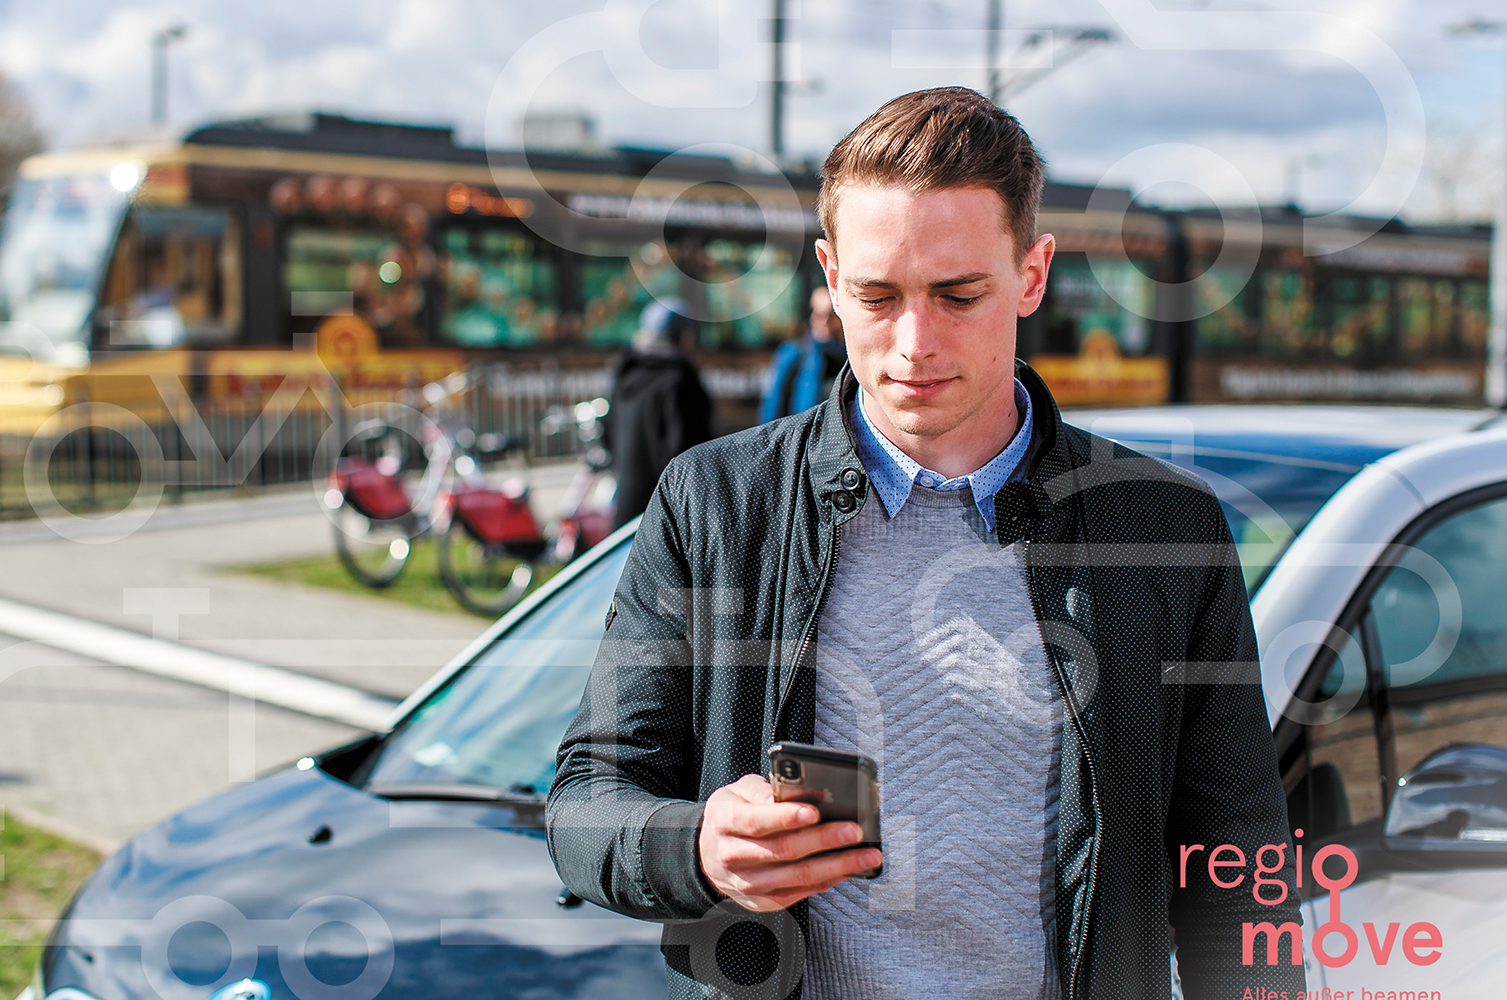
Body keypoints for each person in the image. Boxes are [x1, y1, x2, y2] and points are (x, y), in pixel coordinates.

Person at [549, 88, 1304, 1000]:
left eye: (958, 295)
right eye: (877, 295)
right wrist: (698, 848)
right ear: (829, 276)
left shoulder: (1165, 529)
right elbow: (588, 799)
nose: (914, 344)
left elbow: (1238, 876)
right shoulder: (714, 502)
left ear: (1032, 274)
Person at [606, 296, 713, 527]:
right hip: (665, 518)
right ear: (684, 337)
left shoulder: (626, 375)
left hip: (626, 510)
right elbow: (688, 454)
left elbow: (609, 436)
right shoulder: (678, 383)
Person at [760, 286, 848, 422]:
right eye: (818, 314)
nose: (823, 321)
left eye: (830, 315)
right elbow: (774, 406)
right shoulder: (794, 354)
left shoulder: (851, 358)